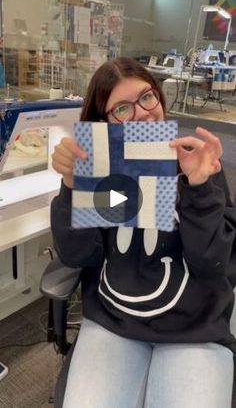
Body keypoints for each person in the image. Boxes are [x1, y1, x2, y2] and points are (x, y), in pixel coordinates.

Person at [50, 57, 236, 408]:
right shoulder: (104, 172)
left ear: (159, 97)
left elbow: (214, 265)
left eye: (146, 98)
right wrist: (72, 188)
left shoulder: (195, 164)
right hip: (113, 323)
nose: (140, 114)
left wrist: (198, 189)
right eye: (121, 108)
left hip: (194, 330)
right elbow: (77, 255)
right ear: (104, 121)